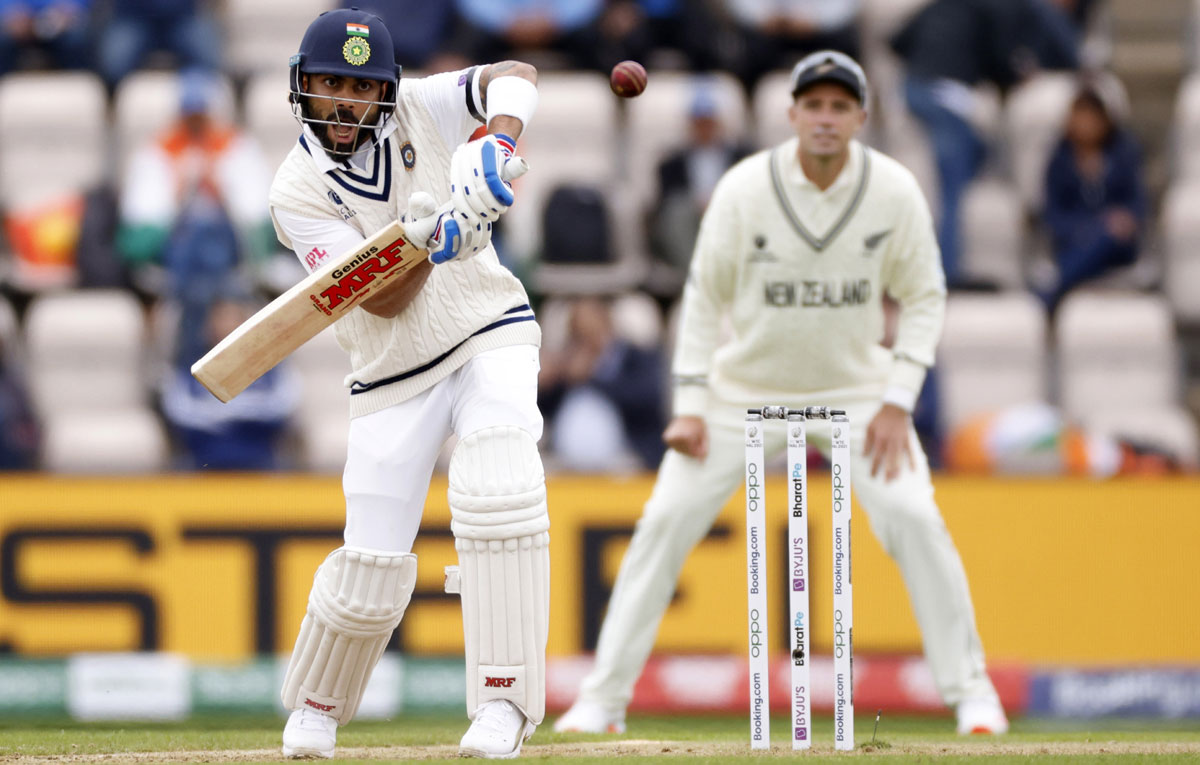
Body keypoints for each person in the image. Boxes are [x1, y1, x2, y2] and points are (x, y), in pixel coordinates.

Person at [554, 50, 1009, 738]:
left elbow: (925, 296)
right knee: (665, 519)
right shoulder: (744, 188)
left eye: (839, 106)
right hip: (742, 391)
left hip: (860, 392)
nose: (825, 119)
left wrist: (898, 399)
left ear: (861, 115)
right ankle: (603, 697)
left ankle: (972, 692)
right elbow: (704, 299)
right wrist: (689, 406)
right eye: (814, 105)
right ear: (792, 113)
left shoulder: (893, 191)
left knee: (916, 517)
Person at [267, 9, 547, 760]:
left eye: (362, 87)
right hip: (392, 370)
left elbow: (514, 78)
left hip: (490, 326)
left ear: (387, 90)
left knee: (498, 481)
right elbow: (379, 297)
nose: (346, 102)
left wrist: (497, 142)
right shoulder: (296, 191)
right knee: (373, 557)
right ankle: (319, 707)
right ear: (303, 87)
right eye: (330, 84)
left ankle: (503, 703)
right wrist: (437, 235)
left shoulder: (422, 104)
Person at [890, 0, 1079, 288]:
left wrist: (926, 56)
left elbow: (896, 41)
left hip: (914, 88)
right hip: (946, 93)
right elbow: (1002, 61)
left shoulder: (939, 6)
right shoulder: (993, 9)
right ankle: (945, 271)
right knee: (954, 178)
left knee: (976, 153)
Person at [115, 68, 274, 365]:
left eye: (202, 116)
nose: (196, 125)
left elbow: (260, 223)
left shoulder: (236, 147)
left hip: (231, 259)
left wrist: (220, 190)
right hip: (176, 264)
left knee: (209, 230)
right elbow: (137, 241)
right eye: (190, 117)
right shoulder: (157, 152)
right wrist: (177, 196)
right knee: (197, 235)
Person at [1038, 79, 1146, 311]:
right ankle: (1063, 281)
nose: (1085, 124)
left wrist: (1125, 220)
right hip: (1074, 240)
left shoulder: (1124, 154)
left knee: (1107, 234)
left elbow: (1137, 203)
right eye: (1080, 116)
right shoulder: (1059, 161)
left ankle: (1053, 290)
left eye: (1092, 118)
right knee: (1095, 237)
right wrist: (1090, 227)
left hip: (1116, 244)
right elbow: (1054, 215)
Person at [160, 295, 300, 471]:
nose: (226, 325)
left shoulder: (268, 365)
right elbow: (179, 409)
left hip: (258, 457)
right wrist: (223, 414)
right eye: (220, 318)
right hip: (206, 458)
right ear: (208, 326)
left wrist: (236, 411)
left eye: (232, 318)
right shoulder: (193, 368)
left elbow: (284, 403)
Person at [539, 296, 667, 471]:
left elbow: (648, 399)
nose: (587, 338)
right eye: (578, 334)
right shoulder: (566, 362)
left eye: (591, 331)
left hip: (629, 459)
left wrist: (594, 376)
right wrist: (549, 382)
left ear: (607, 324)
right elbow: (545, 410)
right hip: (567, 467)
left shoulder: (636, 357)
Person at [0, 0, 92, 76]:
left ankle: (77, 88)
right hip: (19, 23)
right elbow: (7, 8)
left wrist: (71, 9)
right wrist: (9, 12)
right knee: (3, 43)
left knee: (76, 41)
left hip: (62, 24)